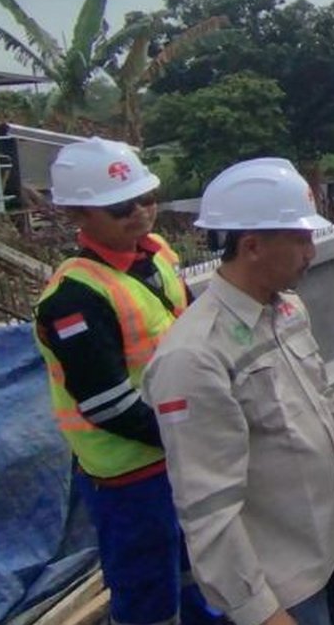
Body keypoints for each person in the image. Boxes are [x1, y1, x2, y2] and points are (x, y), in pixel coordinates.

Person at [142, 158, 334, 625]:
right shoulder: (193, 358)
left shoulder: (287, 309)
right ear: (252, 246)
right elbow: (207, 513)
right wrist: (263, 613)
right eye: (301, 240)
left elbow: (314, 405)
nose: (312, 252)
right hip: (282, 583)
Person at [33, 137, 221, 625]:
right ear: (80, 216)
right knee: (147, 594)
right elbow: (108, 403)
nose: (139, 213)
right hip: (131, 475)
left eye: (147, 198)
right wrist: (192, 436)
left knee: (201, 573)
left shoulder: (156, 255)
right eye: (120, 207)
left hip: (179, 454)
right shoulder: (73, 299)